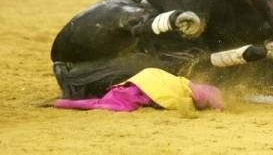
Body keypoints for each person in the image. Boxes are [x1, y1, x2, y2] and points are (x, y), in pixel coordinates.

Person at [54, 67, 224, 112]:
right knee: (102, 103)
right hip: (147, 81)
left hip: (147, 78)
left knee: (101, 103)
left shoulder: (194, 88)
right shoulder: (198, 92)